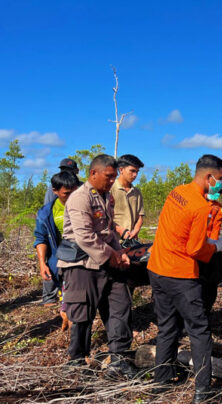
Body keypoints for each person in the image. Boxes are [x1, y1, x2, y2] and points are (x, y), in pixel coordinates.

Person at [147, 154, 222, 403]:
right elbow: (196, 249)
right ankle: (202, 390)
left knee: (167, 326)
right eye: (219, 179)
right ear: (209, 176)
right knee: (199, 331)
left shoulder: (177, 192)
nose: (220, 183)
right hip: (181, 275)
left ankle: (161, 381)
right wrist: (218, 247)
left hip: (157, 268)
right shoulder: (200, 207)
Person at [56, 154, 136, 378]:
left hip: (107, 260)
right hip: (81, 263)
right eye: (108, 177)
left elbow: (108, 231)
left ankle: (119, 358)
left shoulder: (106, 197)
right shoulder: (79, 198)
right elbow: (85, 236)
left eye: (113, 177)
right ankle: (77, 361)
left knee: (120, 307)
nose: (112, 181)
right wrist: (113, 256)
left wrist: (119, 252)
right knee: (82, 313)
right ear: (93, 173)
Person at [33, 172, 79, 330]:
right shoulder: (46, 213)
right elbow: (41, 238)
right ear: (55, 191)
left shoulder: (85, 206)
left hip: (83, 261)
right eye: (66, 193)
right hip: (59, 262)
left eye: (74, 191)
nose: (71, 196)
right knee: (66, 295)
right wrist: (42, 264)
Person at [110, 154, 145, 241]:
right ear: (121, 170)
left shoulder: (137, 192)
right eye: (132, 171)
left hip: (131, 241)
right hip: (112, 242)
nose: (135, 175)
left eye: (137, 172)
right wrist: (120, 230)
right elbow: (103, 218)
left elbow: (140, 216)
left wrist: (136, 229)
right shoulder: (110, 189)